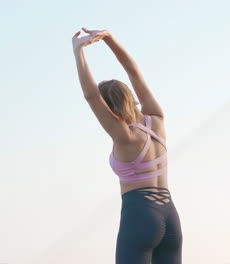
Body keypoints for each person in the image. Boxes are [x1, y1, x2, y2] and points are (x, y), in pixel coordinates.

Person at [72, 27, 183, 264]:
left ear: (109, 109)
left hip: (140, 215)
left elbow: (91, 96)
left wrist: (78, 51)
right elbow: (134, 72)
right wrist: (110, 39)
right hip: (170, 216)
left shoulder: (124, 135)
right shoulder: (156, 119)